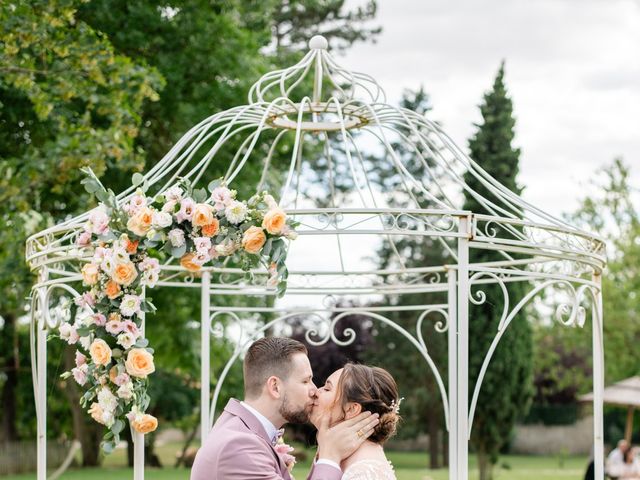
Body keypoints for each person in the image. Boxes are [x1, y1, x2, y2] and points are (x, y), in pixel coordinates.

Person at [190, 337, 380, 479]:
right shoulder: (240, 446)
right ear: (275, 387)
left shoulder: (242, 432)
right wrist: (330, 456)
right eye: (306, 381)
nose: (315, 391)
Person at [311, 363, 401, 480]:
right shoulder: (337, 455)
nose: (316, 392)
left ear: (351, 409)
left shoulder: (364, 473)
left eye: (327, 389)